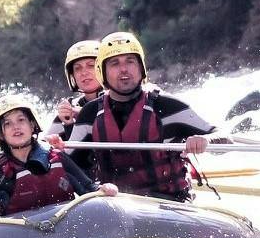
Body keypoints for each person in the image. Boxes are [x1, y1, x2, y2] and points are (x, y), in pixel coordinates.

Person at [74, 32, 220, 202]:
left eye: (130, 61)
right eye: (115, 63)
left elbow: (220, 135)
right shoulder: (89, 114)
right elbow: (66, 163)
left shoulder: (167, 107)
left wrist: (206, 140)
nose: (124, 69)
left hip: (170, 205)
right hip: (115, 207)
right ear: (102, 72)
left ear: (141, 67)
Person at [0, 95, 107, 219]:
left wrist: (103, 189)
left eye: (21, 120)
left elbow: (90, 188)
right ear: (0, 134)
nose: (16, 127)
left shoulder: (58, 159)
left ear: (32, 125)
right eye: (8, 123)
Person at [47, 38, 104, 155]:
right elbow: (44, 146)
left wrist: (84, 114)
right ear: (72, 75)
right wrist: (68, 124)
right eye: (78, 68)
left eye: (90, 66)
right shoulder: (70, 106)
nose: (84, 73)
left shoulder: (117, 101)